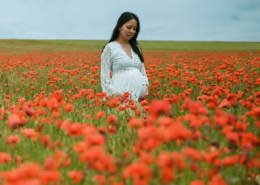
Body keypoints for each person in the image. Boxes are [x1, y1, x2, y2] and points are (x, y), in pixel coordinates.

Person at [100, 12, 149, 105]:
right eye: (129, 27)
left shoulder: (136, 48)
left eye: (135, 29)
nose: (132, 31)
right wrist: (114, 93)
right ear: (119, 26)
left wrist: (146, 88)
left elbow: (142, 71)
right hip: (120, 95)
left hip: (139, 97)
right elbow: (104, 76)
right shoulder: (110, 48)